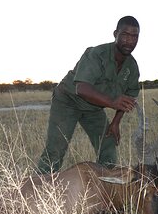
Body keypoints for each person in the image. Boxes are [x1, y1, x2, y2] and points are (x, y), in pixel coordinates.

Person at [37, 16, 140, 174]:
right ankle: (38, 191)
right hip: (68, 101)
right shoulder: (96, 53)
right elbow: (82, 89)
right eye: (125, 35)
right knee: (56, 150)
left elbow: (129, 98)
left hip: (93, 108)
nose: (130, 41)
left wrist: (115, 123)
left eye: (134, 36)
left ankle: (104, 188)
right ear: (115, 34)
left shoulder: (132, 67)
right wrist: (112, 102)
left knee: (108, 145)